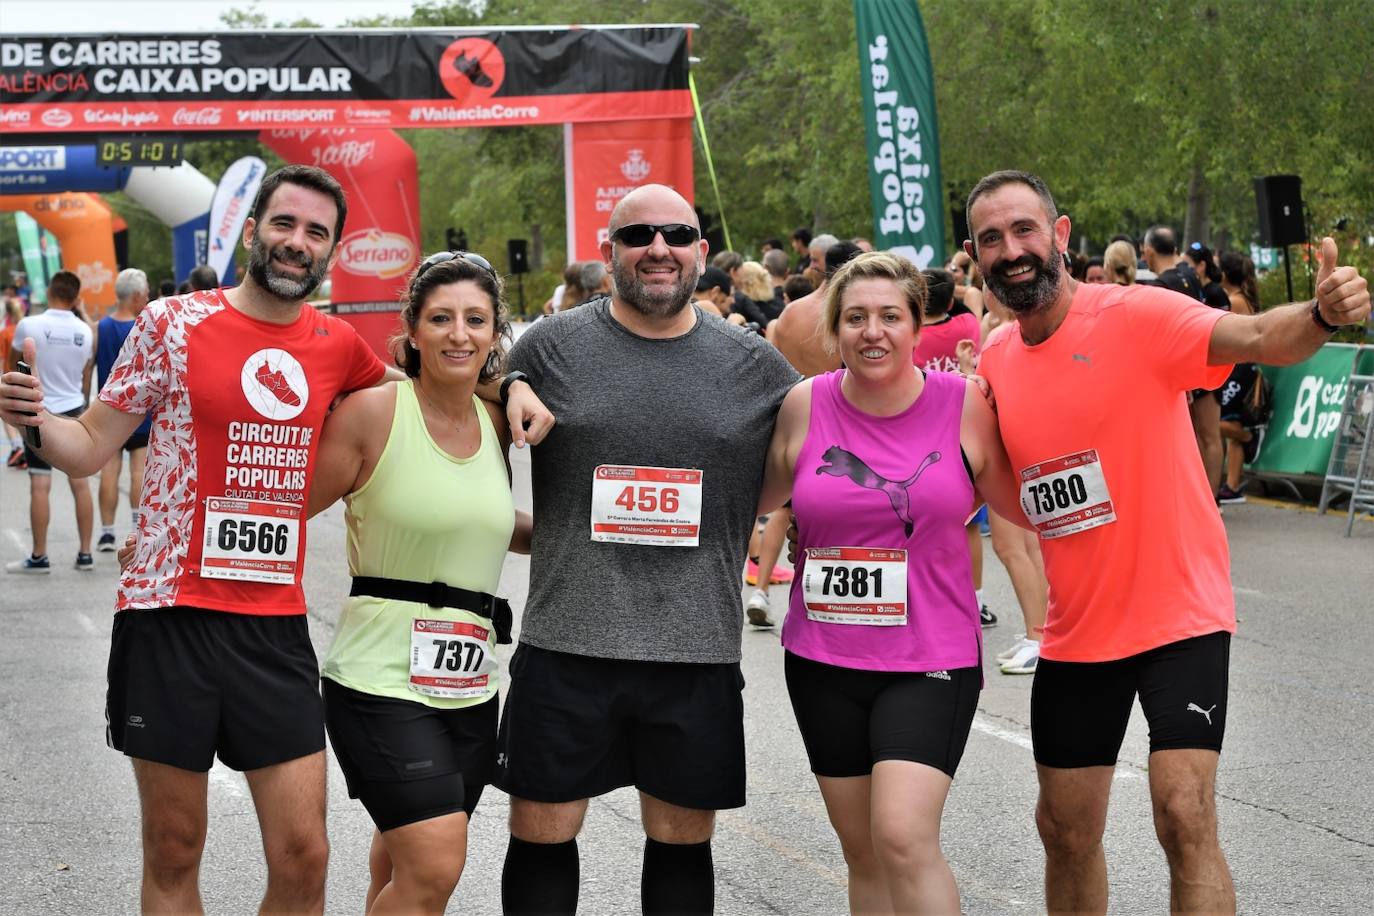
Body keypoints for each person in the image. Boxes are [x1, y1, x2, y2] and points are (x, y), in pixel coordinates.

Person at [0, 164, 553, 914]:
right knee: (173, 848)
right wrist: (35, 422)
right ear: (254, 227)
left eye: (316, 233)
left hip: (272, 627)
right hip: (168, 616)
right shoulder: (171, 323)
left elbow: (442, 369)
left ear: (331, 250)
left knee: (304, 857)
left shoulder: (338, 346)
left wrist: (512, 383)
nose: (297, 243)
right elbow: (91, 443)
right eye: (285, 224)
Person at [964, 169, 1368, 915]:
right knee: (1065, 828)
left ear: (1058, 235)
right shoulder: (993, 364)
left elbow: (1255, 338)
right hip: (1080, 630)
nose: (1011, 250)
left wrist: (1320, 311)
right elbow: (1009, 499)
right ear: (976, 256)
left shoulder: (1138, 314)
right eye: (992, 238)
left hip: (1178, 612)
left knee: (1184, 812)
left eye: (1024, 230)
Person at [493, 184, 799, 916]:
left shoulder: (753, 363)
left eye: (676, 234)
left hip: (694, 649)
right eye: (638, 236)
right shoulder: (550, 346)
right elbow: (466, 381)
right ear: (610, 254)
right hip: (568, 641)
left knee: (682, 842)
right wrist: (510, 386)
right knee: (541, 832)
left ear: (699, 248)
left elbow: (835, 431)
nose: (658, 248)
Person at [758, 251, 1024, 913]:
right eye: (855, 318)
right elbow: (745, 502)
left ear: (916, 326)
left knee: (902, 836)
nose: (871, 331)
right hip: (822, 660)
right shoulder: (803, 406)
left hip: (929, 658)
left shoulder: (964, 405)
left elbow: (1026, 509)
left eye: (888, 317)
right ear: (835, 330)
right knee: (863, 852)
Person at [310, 250, 532, 915]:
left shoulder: (497, 423)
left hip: (468, 685)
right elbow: (283, 507)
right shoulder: (375, 413)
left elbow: (480, 523)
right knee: (436, 860)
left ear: (496, 333)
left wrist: (588, 540)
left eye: (475, 319)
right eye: (440, 318)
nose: (458, 334)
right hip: (377, 679)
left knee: (403, 857)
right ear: (412, 329)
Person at [5, 270, 96, 574]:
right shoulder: (84, 331)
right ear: (75, 297)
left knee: (39, 484)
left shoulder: (30, 324)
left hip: (38, 410)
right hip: (73, 408)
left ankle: (39, 555)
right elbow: (85, 374)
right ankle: (85, 554)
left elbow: (13, 362)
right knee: (80, 484)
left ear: (49, 292)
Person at [94, 268, 153, 552]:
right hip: (140, 411)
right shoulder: (144, 327)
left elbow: (88, 367)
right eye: (146, 293)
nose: (148, 297)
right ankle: (135, 527)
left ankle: (106, 533)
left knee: (109, 470)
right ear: (137, 296)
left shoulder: (101, 327)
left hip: (108, 409)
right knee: (139, 471)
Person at [1216, 251, 1264, 503]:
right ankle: (1233, 485)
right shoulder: (1240, 297)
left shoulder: (1234, 300)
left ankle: (1249, 438)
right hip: (1241, 366)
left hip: (1239, 368)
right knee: (1230, 423)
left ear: (1224, 274)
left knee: (1224, 424)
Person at [2, 294, 27, 467]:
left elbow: (3, 359)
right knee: (25, 414)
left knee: (7, 414)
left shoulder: (5, 332)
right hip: (26, 377)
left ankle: (17, 446)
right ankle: (26, 447)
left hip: (10, 378)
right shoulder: (27, 329)